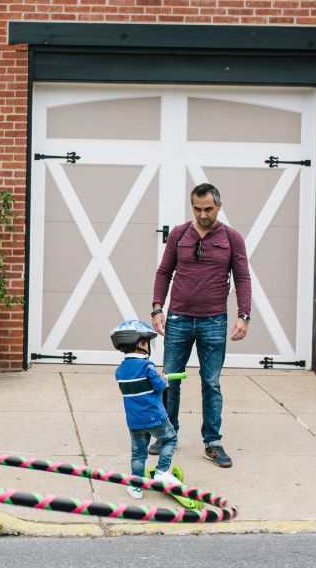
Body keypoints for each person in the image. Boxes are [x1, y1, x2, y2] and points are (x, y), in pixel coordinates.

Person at [151, 183, 251, 468]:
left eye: (208, 209)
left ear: (219, 206)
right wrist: (157, 307)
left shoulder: (232, 238)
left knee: (211, 383)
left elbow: (243, 278)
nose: (203, 214)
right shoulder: (180, 235)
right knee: (170, 379)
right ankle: (167, 435)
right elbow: (163, 272)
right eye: (197, 209)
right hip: (179, 319)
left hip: (214, 321)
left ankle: (213, 441)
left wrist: (244, 315)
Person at [111, 320, 180, 499]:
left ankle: (136, 486)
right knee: (170, 439)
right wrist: (163, 378)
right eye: (147, 342)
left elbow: (136, 388)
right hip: (155, 417)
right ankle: (162, 471)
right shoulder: (147, 366)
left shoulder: (119, 371)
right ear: (141, 343)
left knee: (139, 453)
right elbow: (159, 386)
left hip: (134, 421)